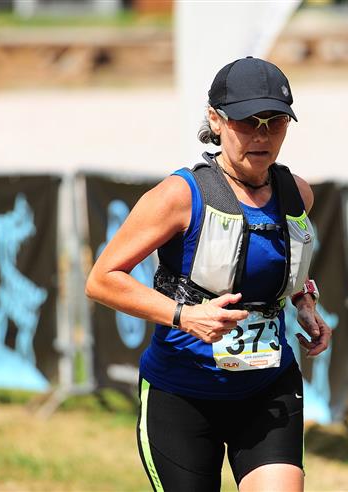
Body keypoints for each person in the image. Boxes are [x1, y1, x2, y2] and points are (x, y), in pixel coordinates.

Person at [85, 56, 331, 492]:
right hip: (182, 395)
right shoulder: (180, 196)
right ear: (216, 120)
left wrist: (304, 301)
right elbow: (102, 279)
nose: (262, 135)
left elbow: (289, 262)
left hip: (267, 388)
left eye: (275, 122)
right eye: (247, 122)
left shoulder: (298, 194)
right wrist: (184, 316)